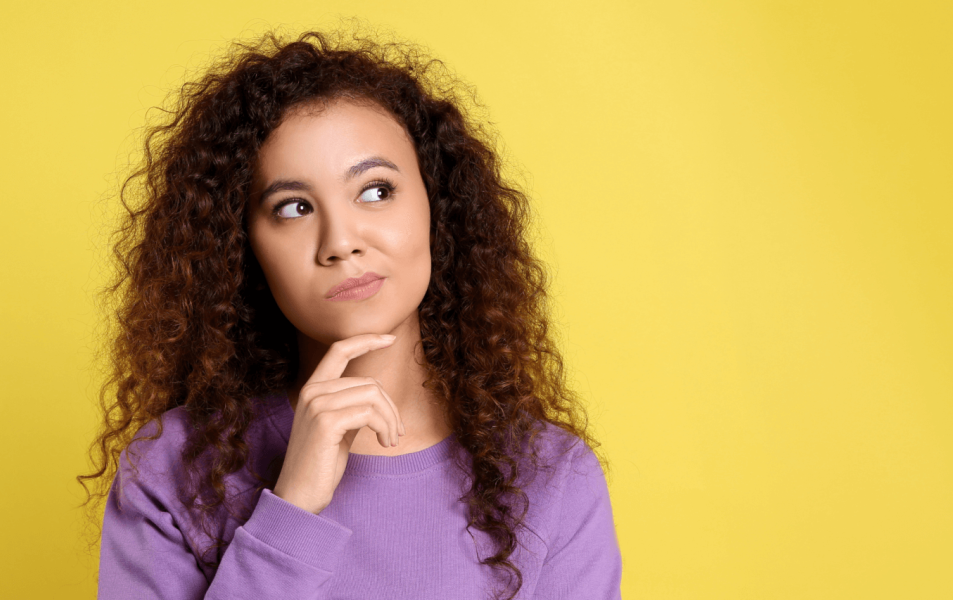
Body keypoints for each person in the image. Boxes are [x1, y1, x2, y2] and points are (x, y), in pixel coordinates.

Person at [82, 28, 622, 600]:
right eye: (293, 207)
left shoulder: (551, 476)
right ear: (241, 246)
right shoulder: (173, 469)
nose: (340, 242)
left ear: (437, 208)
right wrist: (291, 512)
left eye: (375, 191)